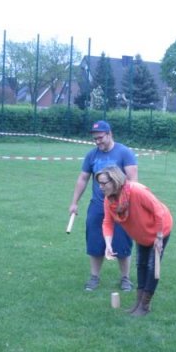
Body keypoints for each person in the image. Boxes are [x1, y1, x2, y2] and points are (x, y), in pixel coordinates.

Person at [69, 121, 138, 292]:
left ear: (109, 134)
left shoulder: (124, 153)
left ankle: (125, 278)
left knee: (122, 243)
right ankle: (94, 277)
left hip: (122, 206)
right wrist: (74, 202)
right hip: (98, 206)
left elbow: (133, 181)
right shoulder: (92, 155)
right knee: (95, 243)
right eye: (95, 139)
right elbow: (83, 179)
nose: (98, 142)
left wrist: (125, 204)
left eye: (100, 138)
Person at [96, 165, 173, 317]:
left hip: (159, 230)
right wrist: (108, 245)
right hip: (141, 235)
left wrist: (158, 237)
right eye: (99, 183)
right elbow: (107, 222)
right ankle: (138, 302)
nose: (101, 187)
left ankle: (144, 306)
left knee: (152, 267)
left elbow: (158, 210)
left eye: (104, 183)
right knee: (141, 265)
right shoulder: (109, 200)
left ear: (115, 181)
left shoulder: (136, 191)